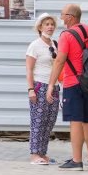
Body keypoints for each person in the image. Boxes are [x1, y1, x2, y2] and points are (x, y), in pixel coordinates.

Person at [46, 4, 88, 171]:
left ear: (70, 17)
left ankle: (77, 160)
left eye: (63, 15)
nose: (61, 18)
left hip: (73, 82)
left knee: (76, 121)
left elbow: (60, 60)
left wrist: (51, 84)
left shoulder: (67, 35)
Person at [26, 13, 60, 165]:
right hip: (40, 86)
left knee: (49, 121)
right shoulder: (35, 45)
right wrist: (31, 89)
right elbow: (29, 70)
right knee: (38, 121)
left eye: (52, 24)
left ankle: (43, 153)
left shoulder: (55, 44)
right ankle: (34, 155)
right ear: (40, 27)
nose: (50, 27)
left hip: (54, 86)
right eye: (47, 24)